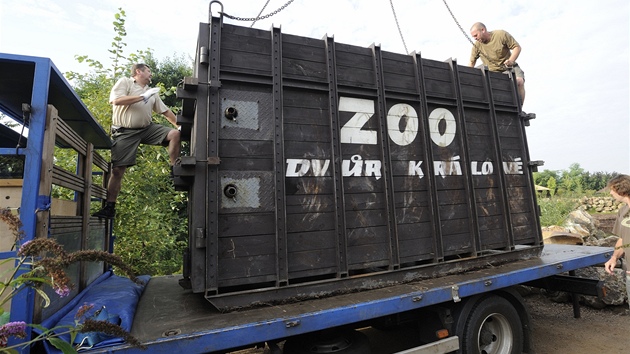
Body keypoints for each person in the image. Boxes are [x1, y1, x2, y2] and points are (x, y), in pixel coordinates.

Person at [93, 63, 180, 219]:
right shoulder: (125, 82)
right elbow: (116, 100)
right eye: (148, 71)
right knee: (118, 170)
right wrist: (141, 97)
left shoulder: (151, 92)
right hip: (125, 131)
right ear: (138, 72)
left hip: (146, 129)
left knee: (174, 134)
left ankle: (175, 170)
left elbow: (165, 111)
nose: (151, 74)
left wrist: (180, 126)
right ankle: (110, 207)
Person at [469, 22, 526, 105]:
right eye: (473, 37)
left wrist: (511, 60)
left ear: (483, 30)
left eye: (476, 35)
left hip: (509, 68)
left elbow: (517, 47)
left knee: (519, 82)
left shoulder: (500, 35)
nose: (475, 38)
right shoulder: (476, 46)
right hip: (493, 73)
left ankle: (520, 109)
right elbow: (471, 62)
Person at [604, 174, 630, 309]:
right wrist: (614, 258)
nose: (610, 193)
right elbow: (623, 239)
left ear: (621, 190)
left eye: (612, 189)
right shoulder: (623, 211)